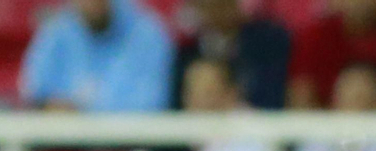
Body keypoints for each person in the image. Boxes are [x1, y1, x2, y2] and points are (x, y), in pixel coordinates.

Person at [20, 0, 175, 112]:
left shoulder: (148, 33)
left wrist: (81, 114)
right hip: (65, 146)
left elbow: (151, 106)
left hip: (129, 146)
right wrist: (51, 107)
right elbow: (35, 94)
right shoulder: (58, 29)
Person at [172, 0, 290, 111]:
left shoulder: (268, 41)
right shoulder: (187, 53)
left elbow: (272, 99)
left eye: (221, 4)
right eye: (208, 4)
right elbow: (175, 105)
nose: (216, 11)